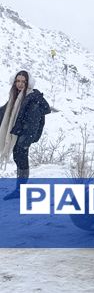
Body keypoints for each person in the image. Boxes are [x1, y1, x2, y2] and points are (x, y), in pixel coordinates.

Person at [0, 71, 51, 200]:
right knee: (19, 160)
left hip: (25, 136)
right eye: (18, 81)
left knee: (21, 159)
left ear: (28, 83)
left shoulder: (32, 98)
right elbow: (5, 111)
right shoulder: (15, 96)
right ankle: (19, 189)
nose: (20, 84)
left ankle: (20, 190)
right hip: (18, 134)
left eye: (23, 81)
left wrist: (24, 141)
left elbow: (33, 122)